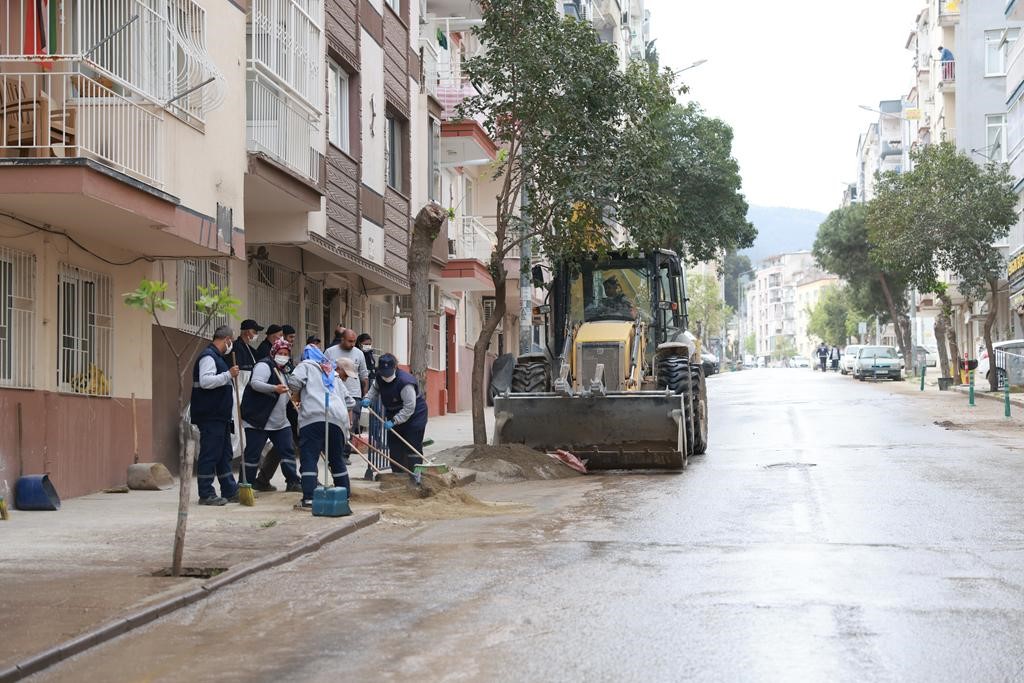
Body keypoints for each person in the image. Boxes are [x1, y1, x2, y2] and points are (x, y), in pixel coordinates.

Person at [287, 344, 355, 509]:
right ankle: (343, 495)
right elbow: (350, 401)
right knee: (336, 459)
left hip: (313, 417)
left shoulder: (306, 366)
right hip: (337, 420)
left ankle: (309, 498)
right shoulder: (332, 372)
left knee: (309, 458)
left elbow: (294, 382)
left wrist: (297, 394)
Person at [240, 338, 301, 493]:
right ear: (273, 353)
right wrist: (274, 388)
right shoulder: (264, 365)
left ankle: (292, 481)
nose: (283, 356)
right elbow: (256, 383)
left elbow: (289, 391)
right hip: (259, 419)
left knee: (287, 451)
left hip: (280, 421)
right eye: (280, 353)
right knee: (253, 454)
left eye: (286, 353)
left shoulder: (285, 370)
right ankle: (245, 485)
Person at [190, 325, 240, 506]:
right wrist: (228, 374)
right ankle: (206, 493)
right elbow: (205, 381)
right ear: (226, 340)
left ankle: (229, 489)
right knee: (210, 454)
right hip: (210, 415)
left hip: (220, 416)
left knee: (224, 454)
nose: (231, 345)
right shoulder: (208, 357)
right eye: (231, 341)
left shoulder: (217, 357)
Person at [363, 353, 428, 475]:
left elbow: (409, 407)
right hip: (393, 413)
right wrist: (368, 398)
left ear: (395, 367)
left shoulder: (405, 382)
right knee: (395, 448)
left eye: (388, 372)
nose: (386, 376)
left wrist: (394, 421)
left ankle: (415, 476)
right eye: (383, 373)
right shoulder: (379, 377)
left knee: (412, 446)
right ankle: (398, 476)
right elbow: (375, 389)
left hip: (414, 416)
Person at [326, 328, 369, 425]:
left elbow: (364, 375)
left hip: (354, 395)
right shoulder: (330, 352)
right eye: (350, 341)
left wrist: (365, 395)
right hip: (335, 395)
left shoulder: (359, 353)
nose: (353, 344)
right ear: (342, 339)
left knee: (351, 426)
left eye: (354, 341)